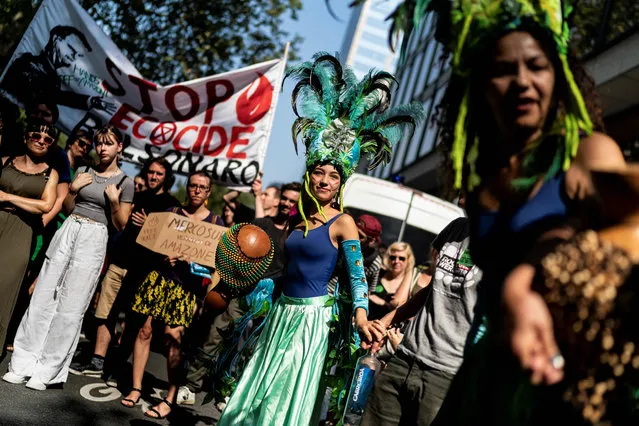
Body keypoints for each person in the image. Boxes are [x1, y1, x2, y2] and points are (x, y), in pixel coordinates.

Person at [370, 1, 625, 425]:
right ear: (481, 84)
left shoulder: (588, 154)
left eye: (536, 66)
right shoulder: (483, 175)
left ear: (558, 75)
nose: (523, 81)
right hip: (482, 372)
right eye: (505, 70)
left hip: (559, 376)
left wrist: (527, 282)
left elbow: (614, 248)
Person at [216, 52, 422, 425]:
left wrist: (361, 316)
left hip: (311, 323)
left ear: (342, 182)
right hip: (281, 315)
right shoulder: (297, 224)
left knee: (281, 396)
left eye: (333, 176)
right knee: (255, 390)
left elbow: (358, 278)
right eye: (319, 172)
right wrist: (246, 281)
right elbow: (282, 274)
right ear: (310, 174)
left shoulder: (343, 223)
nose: (325, 180)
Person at [3, 125, 134, 390]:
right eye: (99, 143)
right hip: (70, 227)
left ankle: (47, 370)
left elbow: (121, 225)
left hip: (96, 236)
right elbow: (69, 206)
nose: (102, 148)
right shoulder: (84, 171)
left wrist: (115, 203)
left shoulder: (125, 182)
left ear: (119, 147)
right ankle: (23, 363)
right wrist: (73, 189)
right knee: (44, 295)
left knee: (71, 306)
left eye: (108, 143)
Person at [176, 181, 302, 406]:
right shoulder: (261, 223)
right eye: (285, 198)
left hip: (271, 301)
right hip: (243, 292)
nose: (287, 204)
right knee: (217, 335)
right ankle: (191, 386)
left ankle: (225, 391)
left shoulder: (296, 235)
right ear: (279, 199)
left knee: (248, 349)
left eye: (293, 201)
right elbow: (237, 252)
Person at [119, 171, 224, 419]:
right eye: (193, 186)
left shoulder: (216, 223)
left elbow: (214, 265)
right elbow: (151, 245)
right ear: (187, 188)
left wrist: (193, 262)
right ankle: (136, 389)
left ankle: (170, 397)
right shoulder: (172, 213)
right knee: (144, 331)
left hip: (186, 289)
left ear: (208, 192)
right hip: (160, 279)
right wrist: (164, 256)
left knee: (172, 337)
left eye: (202, 187)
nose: (197, 191)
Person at [362, 216, 481, 425]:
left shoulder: (508, 240)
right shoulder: (457, 227)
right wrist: (386, 321)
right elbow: (433, 288)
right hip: (404, 357)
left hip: (446, 373)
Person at [69, 157, 179, 378]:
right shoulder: (135, 196)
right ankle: (97, 361)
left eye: (159, 173)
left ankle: (117, 364)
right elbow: (119, 222)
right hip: (119, 263)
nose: (153, 176)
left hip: (146, 271)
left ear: (167, 178)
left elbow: (170, 239)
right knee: (105, 314)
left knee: (133, 321)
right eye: (151, 172)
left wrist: (150, 224)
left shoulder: (173, 205)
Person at [0, 119, 59, 355]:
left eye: (48, 139)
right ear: (26, 138)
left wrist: (7, 197)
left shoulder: (50, 174)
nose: (41, 141)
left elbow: (45, 206)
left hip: (22, 232)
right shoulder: (5, 162)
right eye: (36, 136)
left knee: (5, 286)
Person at [0, 25, 115, 114]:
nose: (73, 56)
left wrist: (89, 101)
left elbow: (61, 97)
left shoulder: (53, 82)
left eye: (78, 55)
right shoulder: (24, 57)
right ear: (56, 39)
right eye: (72, 49)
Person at [369, 241, 430, 320]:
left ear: (408, 261)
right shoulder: (378, 273)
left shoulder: (408, 284)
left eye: (401, 258)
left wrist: (383, 303)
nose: (396, 261)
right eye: (393, 257)